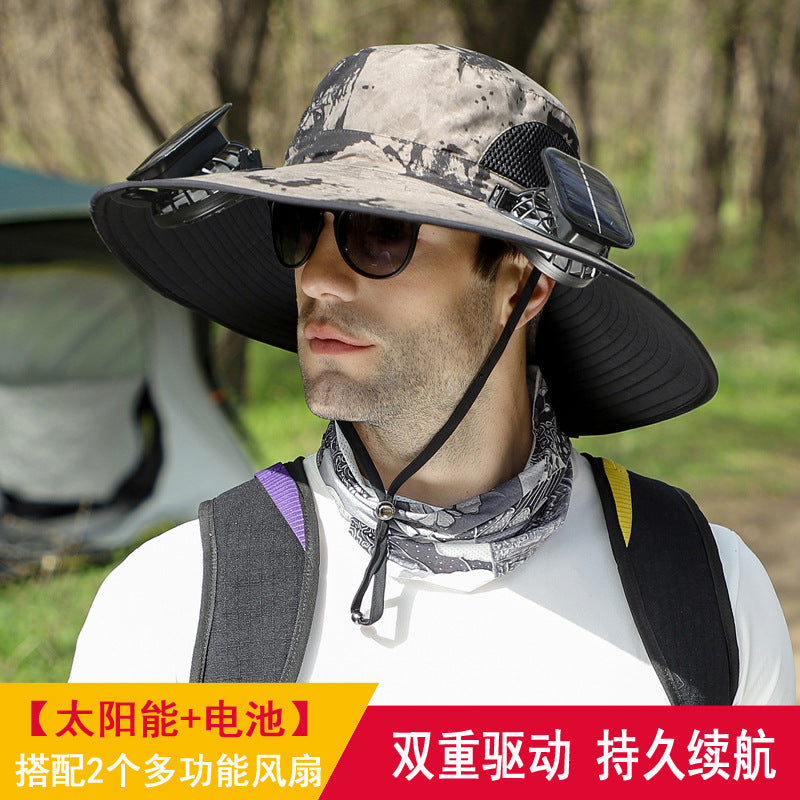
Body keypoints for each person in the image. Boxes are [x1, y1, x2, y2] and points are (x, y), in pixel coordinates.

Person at [70, 43, 794, 704]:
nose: (317, 278)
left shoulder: (705, 591)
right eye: (300, 228)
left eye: (380, 234)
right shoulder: (176, 602)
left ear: (524, 285)